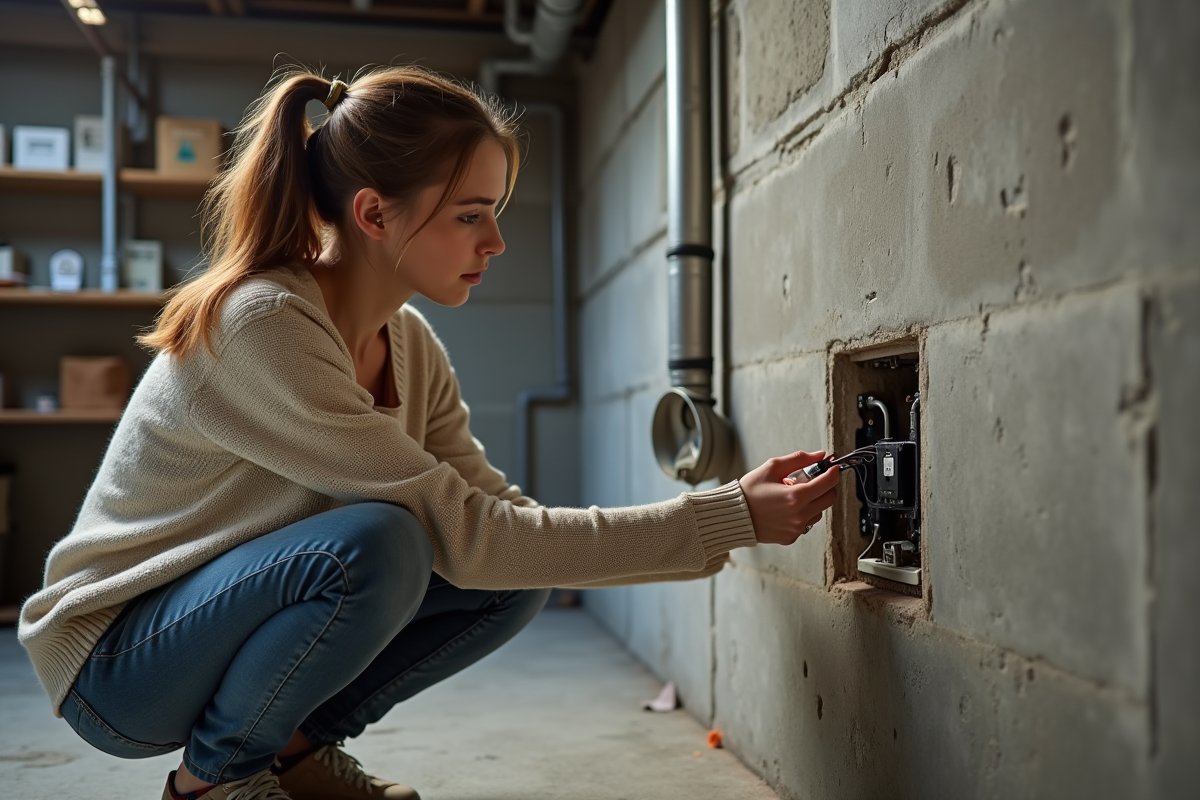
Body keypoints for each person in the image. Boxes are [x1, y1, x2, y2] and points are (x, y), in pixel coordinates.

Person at [17, 67, 841, 800]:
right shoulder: (264, 325)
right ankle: (214, 782)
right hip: (118, 665)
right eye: (471, 215)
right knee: (379, 543)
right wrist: (725, 513)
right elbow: (465, 528)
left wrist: (722, 514)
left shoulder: (410, 344)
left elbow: (494, 522)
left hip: (211, 631)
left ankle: (295, 753)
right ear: (375, 213)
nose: (496, 241)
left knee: (512, 576)